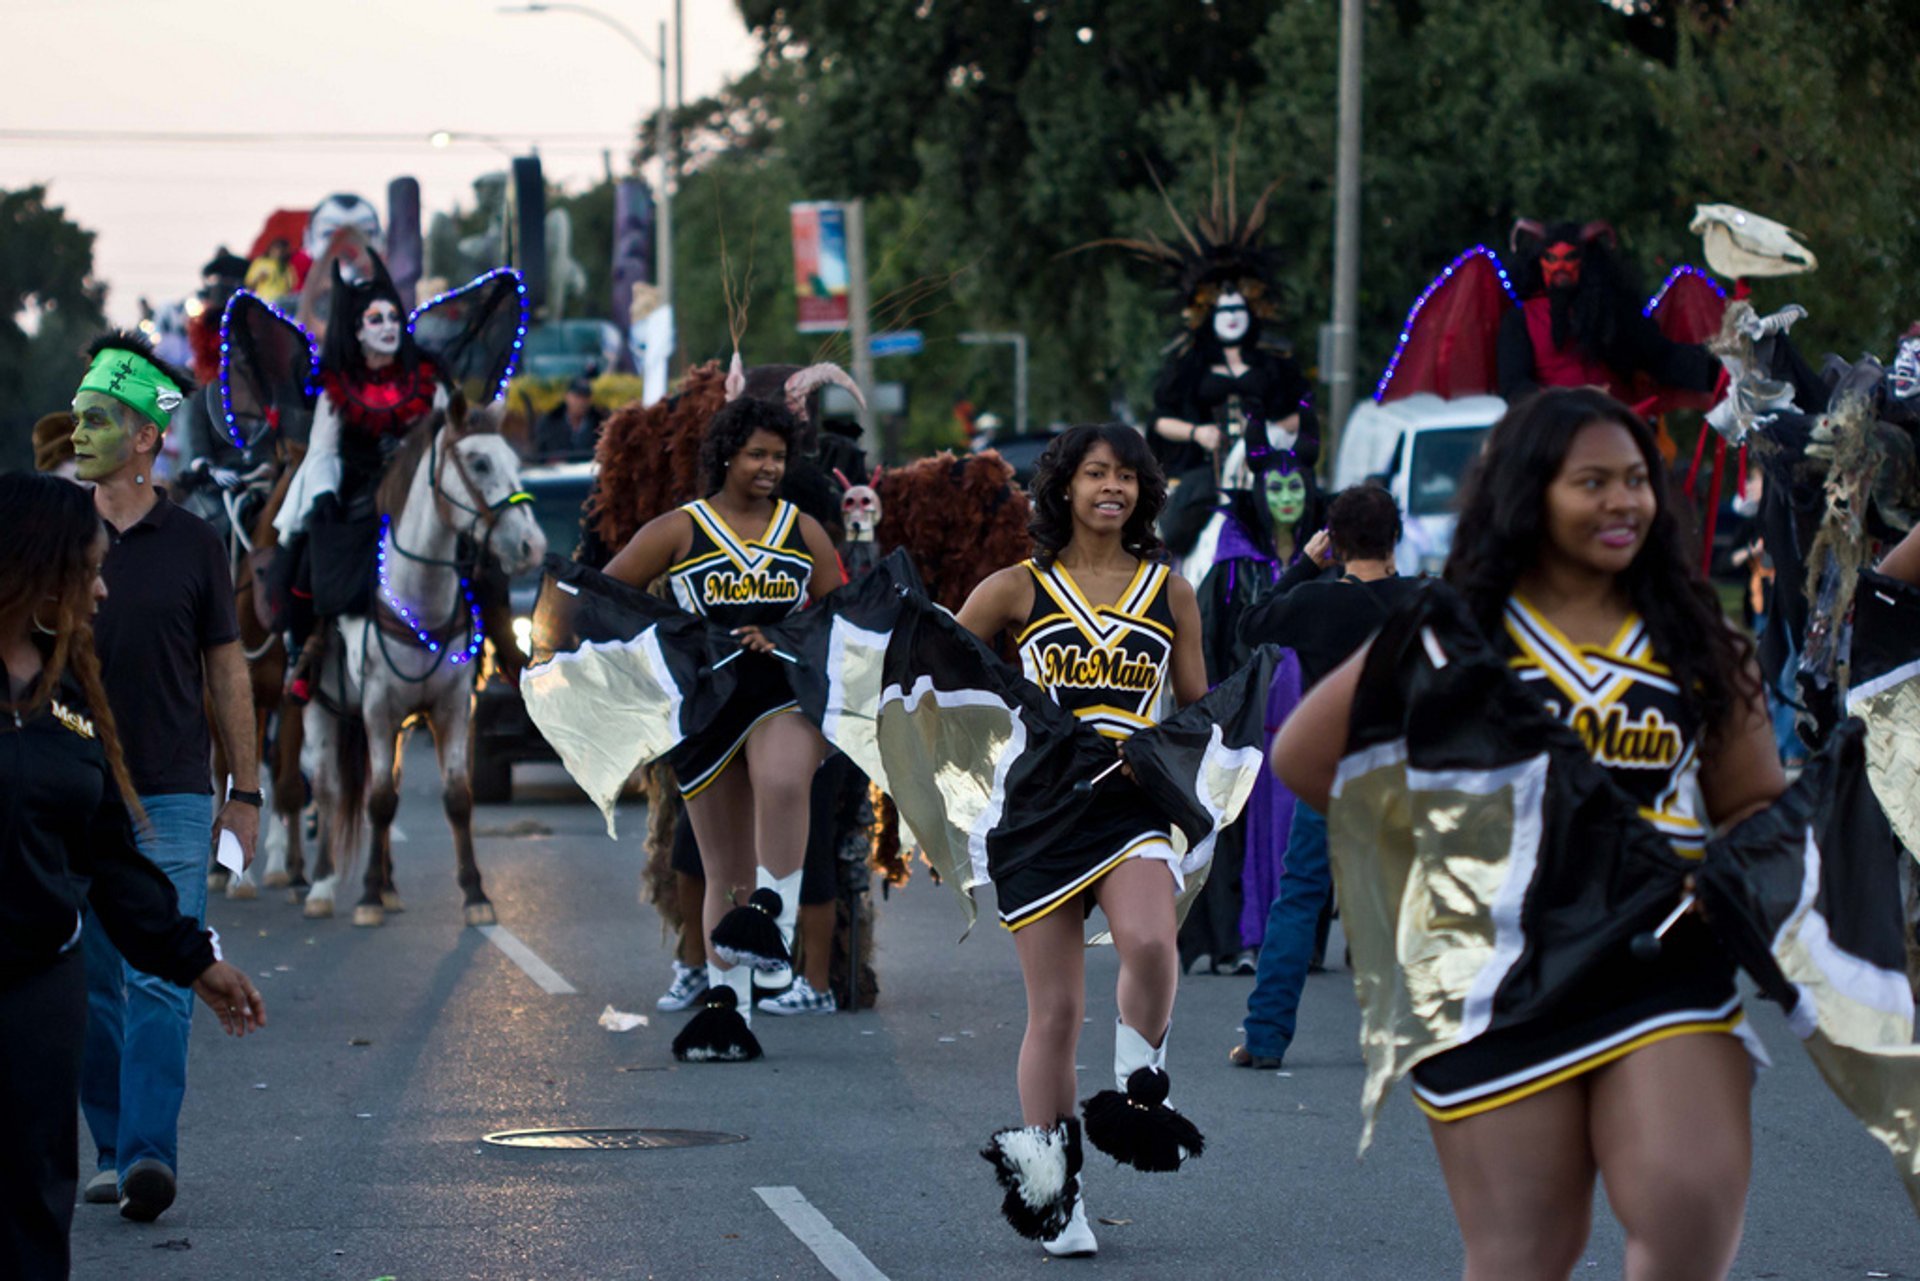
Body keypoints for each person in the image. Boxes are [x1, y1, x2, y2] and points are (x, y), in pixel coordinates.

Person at [1273, 388, 1785, 1278]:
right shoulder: (1450, 635)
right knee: (1525, 1249)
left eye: (1637, 480)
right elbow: (1305, 754)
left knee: (1685, 1200)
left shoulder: (1698, 636)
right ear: (1527, 492)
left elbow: (1752, 802)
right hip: (1494, 975)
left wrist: (1741, 875)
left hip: (1656, 956)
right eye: (1593, 481)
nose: (1624, 501)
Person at [0, 472, 265, 1281]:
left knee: (36, 1205)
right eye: (91, 567)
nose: (105, 587)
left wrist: (196, 958)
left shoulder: (64, 696)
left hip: (38, 994)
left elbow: (110, 857)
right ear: (40, 570)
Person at [956, 424, 1210, 1258]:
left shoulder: (1170, 590)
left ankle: (1140, 1083)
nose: (1114, 487)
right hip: (1038, 811)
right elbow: (942, 681)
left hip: (1133, 802)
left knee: (1149, 939)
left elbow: (1199, 708)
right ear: (1063, 486)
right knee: (1055, 1011)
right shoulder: (1013, 589)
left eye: (1128, 476)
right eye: (1097, 473)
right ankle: (1057, 1190)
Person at [67, 332, 262, 1223]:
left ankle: (147, 1154)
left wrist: (247, 793)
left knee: (158, 973)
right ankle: (107, 1144)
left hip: (177, 792)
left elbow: (227, 670)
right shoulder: (54, 530)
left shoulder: (193, 543)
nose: (81, 430)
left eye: (99, 416)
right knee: (89, 977)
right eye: (77, 416)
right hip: (70, 788)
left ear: (146, 435)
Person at [602, 394, 844, 1056]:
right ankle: (728, 1012)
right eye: (757, 453)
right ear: (726, 455)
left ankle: (775, 922)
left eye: (779, 455)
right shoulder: (681, 528)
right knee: (723, 870)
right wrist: (678, 646)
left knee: (785, 778)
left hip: (781, 692)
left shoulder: (803, 529)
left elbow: (839, 614)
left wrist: (784, 632)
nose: (770, 466)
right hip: (706, 706)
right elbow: (607, 594)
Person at [1230, 483, 1415, 1068]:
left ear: (1334, 543)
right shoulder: (1426, 600)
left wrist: (1301, 566)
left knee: (1299, 898)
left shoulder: (1314, 600)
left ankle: (1264, 1039)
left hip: (1329, 773)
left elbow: (1249, 625)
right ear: (1396, 538)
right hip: (1407, 771)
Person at [274, 252, 447, 704]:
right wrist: (326, 495)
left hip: (418, 491)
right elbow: (324, 450)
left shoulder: (426, 379)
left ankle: (498, 646)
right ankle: (305, 650)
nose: (389, 326)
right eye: (376, 318)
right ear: (357, 329)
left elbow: (448, 434)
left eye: (394, 316)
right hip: (353, 489)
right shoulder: (337, 388)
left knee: (474, 545)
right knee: (307, 549)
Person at [534, 376, 607, 462]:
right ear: (567, 396)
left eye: (585, 397)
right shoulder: (549, 422)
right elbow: (538, 455)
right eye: (577, 396)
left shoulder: (599, 423)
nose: (581, 402)